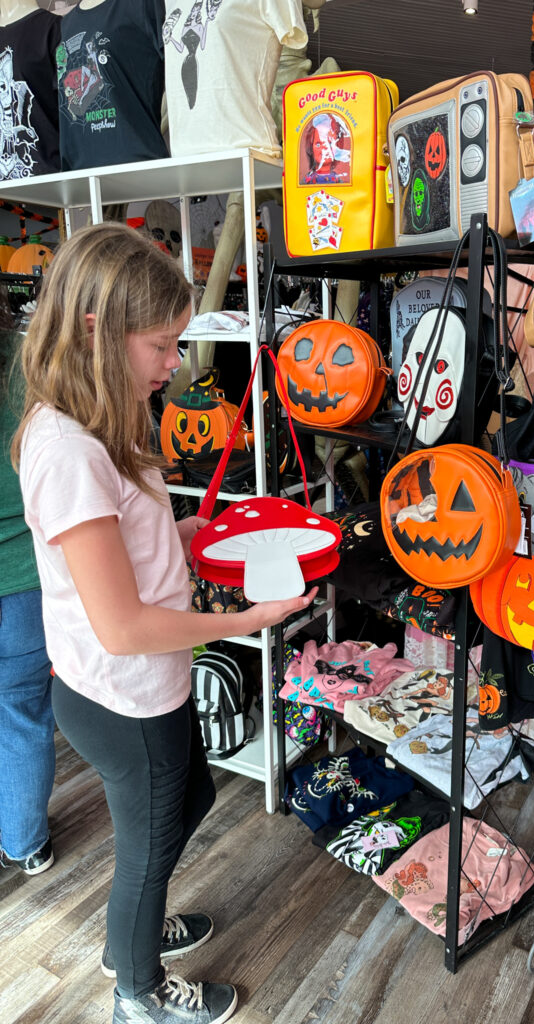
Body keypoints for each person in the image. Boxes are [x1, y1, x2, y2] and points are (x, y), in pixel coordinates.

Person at [12, 223, 317, 1024]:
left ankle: (134, 930)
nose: (176, 364)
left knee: (192, 801)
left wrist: (220, 535)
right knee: (150, 848)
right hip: (123, 691)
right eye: (163, 345)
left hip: (143, 682)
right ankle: (136, 989)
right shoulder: (70, 451)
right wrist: (251, 618)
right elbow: (121, 625)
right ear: (96, 332)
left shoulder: (106, 423)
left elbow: (138, 541)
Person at [0, 319, 55, 879]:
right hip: (23, 568)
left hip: (23, 570)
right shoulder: (25, 358)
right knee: (21, 712)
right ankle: (26, 843)